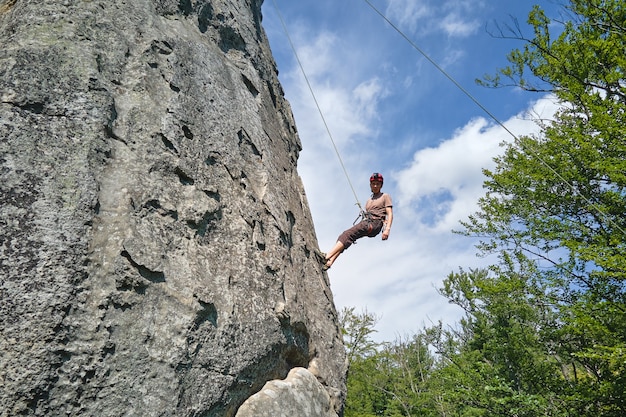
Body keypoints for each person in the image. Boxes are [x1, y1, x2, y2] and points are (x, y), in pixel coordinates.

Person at [318, 172, 393, 270]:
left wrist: (387, 229)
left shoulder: (385, 196)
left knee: (347, 234)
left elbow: (390, 213)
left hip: (374, 223)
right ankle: (330, 262)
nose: (375, 186)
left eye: (377, 184)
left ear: (381, 185)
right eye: (373, 183)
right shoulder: (369, 200)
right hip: (369, 222)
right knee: (347, 237)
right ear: (370, 185)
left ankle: (327, 256)